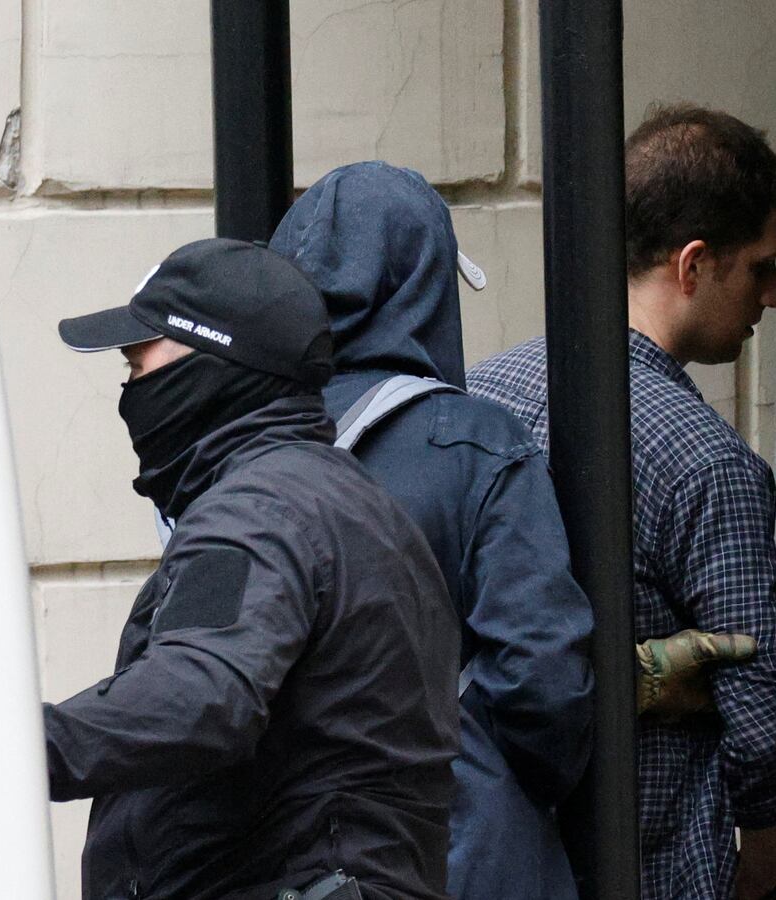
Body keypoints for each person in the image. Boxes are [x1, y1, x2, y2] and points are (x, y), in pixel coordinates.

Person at [468, 104, 776, 900]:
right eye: (761, 267)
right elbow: (767, 732)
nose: (774, 296)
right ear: (692, 266)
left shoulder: (478, 399)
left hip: (488, 861)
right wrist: (758, 878)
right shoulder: (707, 465)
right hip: (646, 867)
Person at [42, 237, 460, 900]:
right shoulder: (339, 500)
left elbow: (198, 695)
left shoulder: (259, 514)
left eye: (140, 363)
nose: (129, 389)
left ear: (213, 366)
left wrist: (16, 747)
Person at [268, 161, 595, 900]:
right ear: (426, 286)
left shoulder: (238, 442)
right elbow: (543, 679)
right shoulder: (476, 444)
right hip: (458, 852)